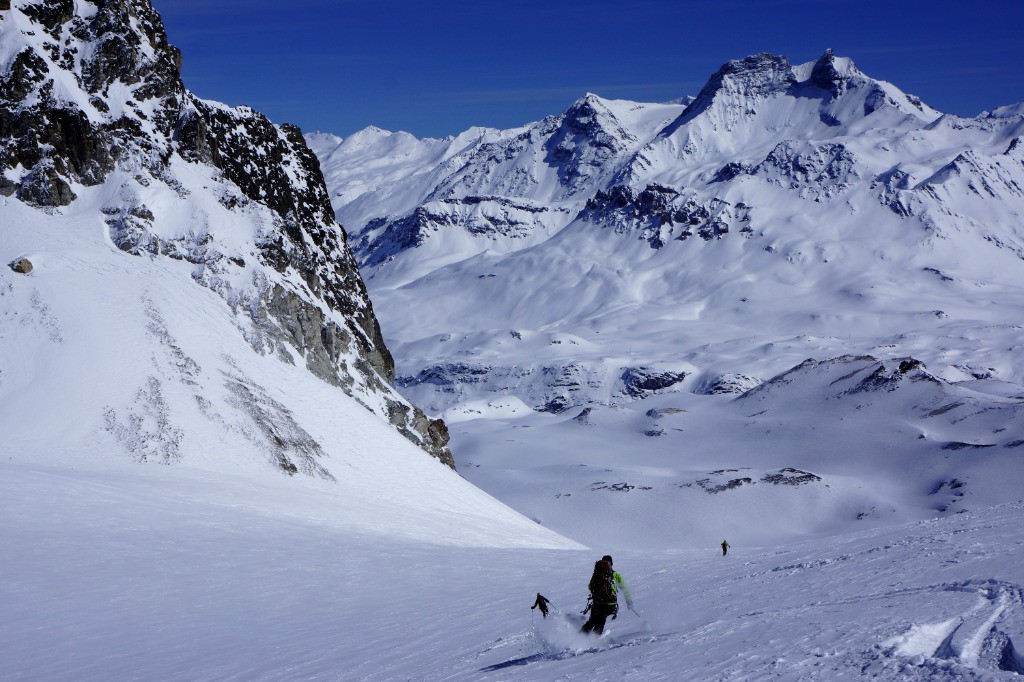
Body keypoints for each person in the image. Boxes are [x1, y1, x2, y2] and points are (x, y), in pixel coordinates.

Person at [580, 555, 632, 635]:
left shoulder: (597, 574)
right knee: (601, 620)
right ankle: (594, 639)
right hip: (610, 604)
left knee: (592, 621)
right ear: (611, 564)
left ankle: (579, 637)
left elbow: (590, 586)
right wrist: (628, 600)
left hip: (597, 602)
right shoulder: (615, 575)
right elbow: (625, 588)